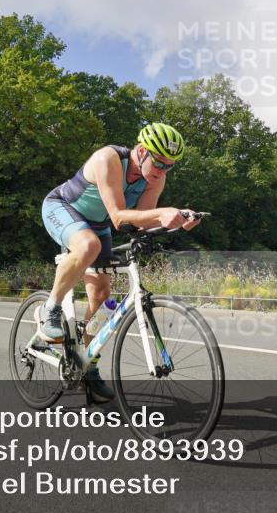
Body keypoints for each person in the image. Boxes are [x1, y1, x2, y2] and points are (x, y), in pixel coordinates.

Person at [39, 123, 201, 403]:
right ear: (142, 151)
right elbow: (118, 217)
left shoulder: (155, 178)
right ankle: (49, 309)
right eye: (159, 163)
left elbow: (142, 222)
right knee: (88, 245)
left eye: (169, 166)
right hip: (62, 207)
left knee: (102, 295)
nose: (162, 171)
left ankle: (87, 363)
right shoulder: (108, 158)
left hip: (97, 224)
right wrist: (163, 212)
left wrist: (177, 221)